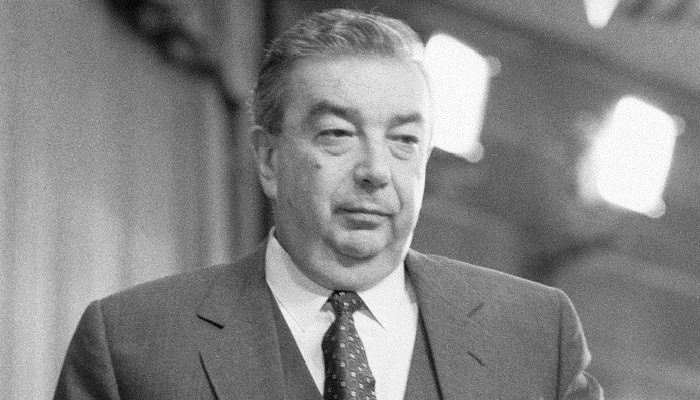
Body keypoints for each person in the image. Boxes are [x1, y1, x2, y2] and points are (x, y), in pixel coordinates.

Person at [54, 8, 603, 400]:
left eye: (404, 140)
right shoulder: (131, 345)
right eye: (339, 134)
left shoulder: (537, 334)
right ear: (269, 159)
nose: (376, 170)